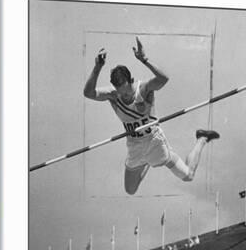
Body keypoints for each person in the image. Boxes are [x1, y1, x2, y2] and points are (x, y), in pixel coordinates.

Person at [83, 37, 220, 194]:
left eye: (127, 91)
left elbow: (164, 79)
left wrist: (144, 60)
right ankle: (147, 162)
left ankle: (201, 139)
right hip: (134, 146)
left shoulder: (144, 89)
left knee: (188, 175)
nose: (125, 96)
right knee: (130, 190)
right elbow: (88, 93)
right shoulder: (113, 95)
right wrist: (97, 67)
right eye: (121, 92)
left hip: (155, 141)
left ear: (131, 81)